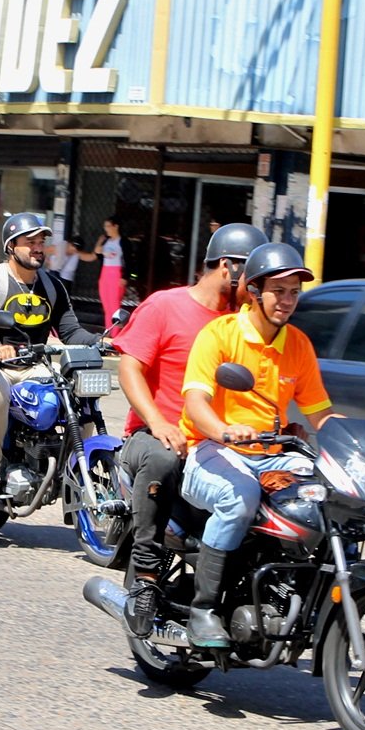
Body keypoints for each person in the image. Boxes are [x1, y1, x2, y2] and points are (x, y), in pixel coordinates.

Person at [177, 241, 365, 648]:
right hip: (213, 452)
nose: (287, 301)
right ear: (254, 290)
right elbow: (195, 402)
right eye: (278, 291)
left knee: (333, 499)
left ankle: (309, 604)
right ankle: (203, 609)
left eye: (294, 292)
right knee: (241, 498)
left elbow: (321, 415)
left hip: (274, 455)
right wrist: (224, 430)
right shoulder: (219, 335)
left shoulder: (299, 345)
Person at [113, 221, 258, 637]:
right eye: (254, 276)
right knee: (163, 460)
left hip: (213, 442)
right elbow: (129, 367)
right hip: (154, 435)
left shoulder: (242, 323)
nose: (259, 287)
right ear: (228, 268)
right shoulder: (165, 305)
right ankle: (145, 580)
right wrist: (157, 421)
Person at [0, 212, 103, 504]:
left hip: (32, 366)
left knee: (77, 395)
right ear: (11, 246)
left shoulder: (52, 286)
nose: (38, 248)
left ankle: (73, 468)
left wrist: (101, 341)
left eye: (41, 242)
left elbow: (70, 331)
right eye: (30, 242)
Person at [96, 215, 126, 325]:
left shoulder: (122, 241)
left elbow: (129, 260)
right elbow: (97, 252)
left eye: (108, 226)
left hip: (116, 272)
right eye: (105, 226)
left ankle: (115, 331)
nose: (106, 229)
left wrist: (124, 276)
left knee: (114, 304)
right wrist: (100, 241)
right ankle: (108, 329)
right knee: (106, 303)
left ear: (116, 226)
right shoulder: (106, 241)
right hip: (105, 272)